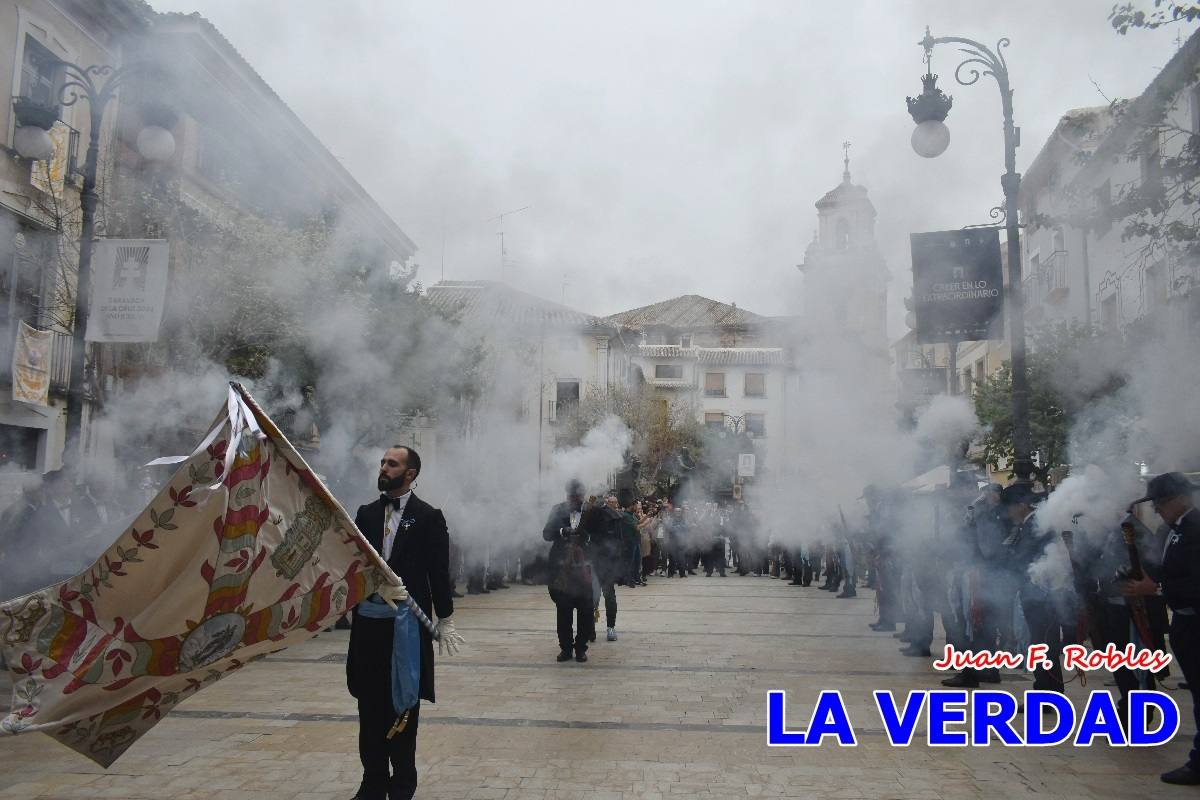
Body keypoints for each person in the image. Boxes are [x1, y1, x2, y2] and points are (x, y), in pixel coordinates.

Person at [347, 445, 459, 800]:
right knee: (369, 705)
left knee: (403, 703)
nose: (383, 467)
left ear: (410, 474)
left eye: (391, 464)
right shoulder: (365, 514)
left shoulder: (428, 517)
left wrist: (447, 618)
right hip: (369, 627)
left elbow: (438, 573)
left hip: (406, 629)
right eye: (382, 462)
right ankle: (373, 780)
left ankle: (403, 783)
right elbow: (351, 566)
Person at [1121, 472, 1200, 786]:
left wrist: (1157, 588)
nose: (1157, 509)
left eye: (1161, 503)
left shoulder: (1194, 530)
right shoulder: (1173, 531)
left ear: (1180, 499)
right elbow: (1158, 567)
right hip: (1185, 622)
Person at [543, 480, 597, 661]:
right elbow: (546, 534)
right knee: (563, 611)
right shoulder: (557, 510)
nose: (576, 499)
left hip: (583, 569)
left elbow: (602, 536)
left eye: (578, 495)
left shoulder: (591, 511)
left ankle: (581, 647)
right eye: (573, 496)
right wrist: (562, 531)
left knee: (586, 611)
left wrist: (588, 537)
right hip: (562, 569)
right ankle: (565, 648)